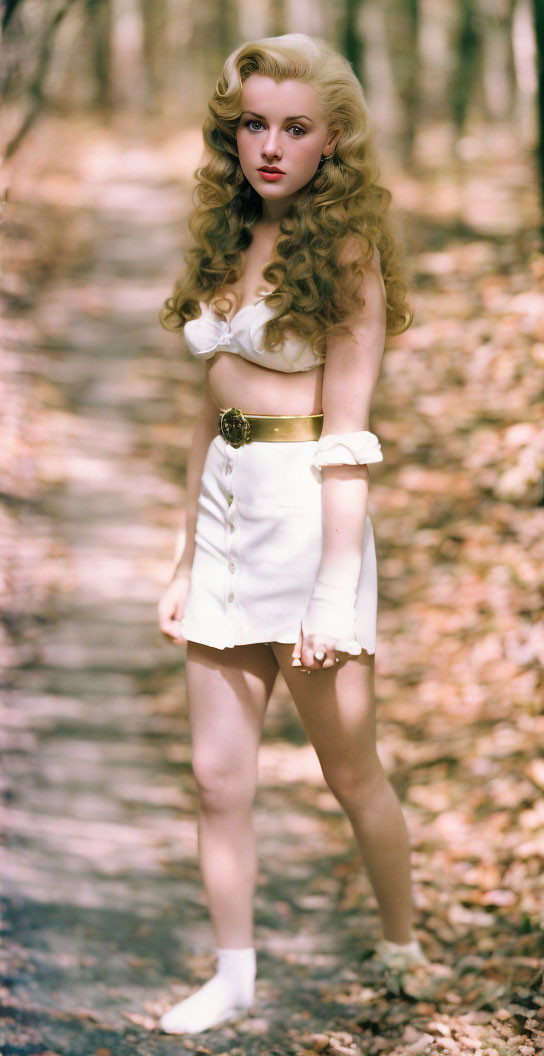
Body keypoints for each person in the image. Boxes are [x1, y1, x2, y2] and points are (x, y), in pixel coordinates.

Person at [157, 32, 428, 1035]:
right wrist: (184, 555)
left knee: (348, 766)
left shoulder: (347, 247)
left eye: (295, 128)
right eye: (253, 125)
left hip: (308, 514)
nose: (270, 146)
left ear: (333, 141)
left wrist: (330, 590)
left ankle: (402, 947)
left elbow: (350, 430)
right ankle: (232, 976)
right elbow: (209, 409)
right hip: (225, 507)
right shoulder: (228, 232)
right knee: (215, 774)